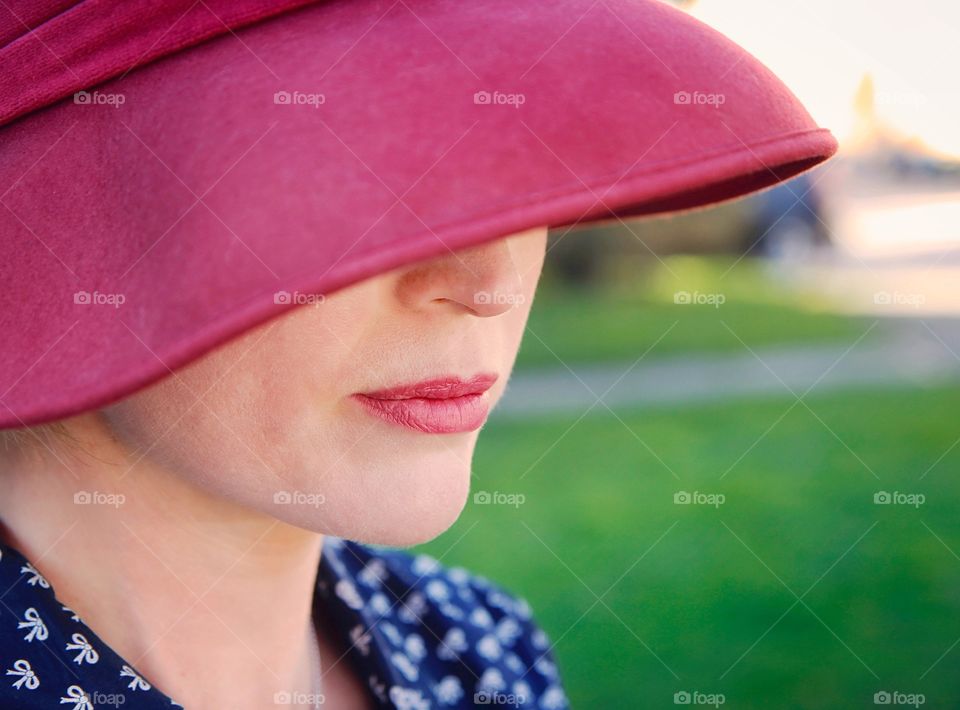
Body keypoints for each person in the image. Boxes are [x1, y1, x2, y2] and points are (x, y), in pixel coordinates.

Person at [0, 0, 836, 707]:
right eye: (342, 171)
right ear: (66, 226)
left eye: (510, 167)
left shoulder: (480, 649)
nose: (489, 285)